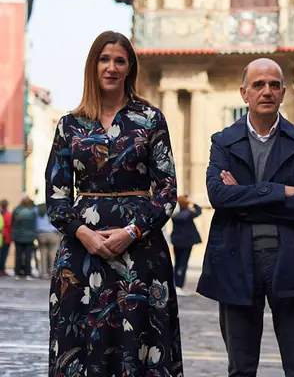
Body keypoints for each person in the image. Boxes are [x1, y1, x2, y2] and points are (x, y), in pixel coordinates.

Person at [45, 31, 182, 376]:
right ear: (93, 66)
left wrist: (132, 231)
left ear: (129, 68)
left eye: (119, 60)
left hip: (141, 252)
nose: (111, 67)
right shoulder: (69, 125)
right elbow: (56, 197)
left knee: (139, 345)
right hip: (80, 257)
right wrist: (85, 235)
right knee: (80, 345)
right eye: (104, 59)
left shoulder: (150, 120)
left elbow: (167, 190)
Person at [197, 58, 294, 377]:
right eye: (258, 85)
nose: (266, 91)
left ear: (283, 93)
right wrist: (282, 191)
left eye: (273, 85)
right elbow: (218, 196)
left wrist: (245, 199)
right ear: (244, 93)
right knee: (240, 369)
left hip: (292, 260)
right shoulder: (222, 141)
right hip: (235, 259)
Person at [170, 194, 202, 296]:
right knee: (183, 264)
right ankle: (179, 285)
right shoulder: (187, 213)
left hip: (177, 241)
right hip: (187, 242)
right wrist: (194, 204)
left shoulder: (175, 215)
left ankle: (175, 284)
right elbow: (198, 211)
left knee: (177, 263)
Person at [12, 194, 38, 279]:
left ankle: (17, 273)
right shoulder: (33, 211)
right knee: (28, 256)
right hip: (29, 237)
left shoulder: (16, 210)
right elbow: (35, 224)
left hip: (18, 236)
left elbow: (12, 223)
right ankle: (28, 273)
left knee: (18, 256)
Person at [35, 203, 62, 278]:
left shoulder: (38, 209)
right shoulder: (54, 208)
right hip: (53, 233)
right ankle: (52, 272)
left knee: (43, 253)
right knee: (53, 253)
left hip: (41, 233)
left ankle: (43, 273)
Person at [0, 199, 11, 276]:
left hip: (2, 236)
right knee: (4, 254)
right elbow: (10, 225)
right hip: (6, 237)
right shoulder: (8, 214)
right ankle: (2, 269)